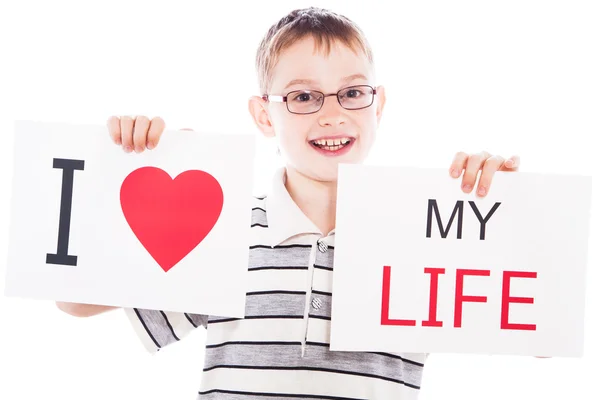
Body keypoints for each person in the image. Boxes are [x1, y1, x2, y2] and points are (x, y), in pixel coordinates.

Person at [56, 7, 521, 399]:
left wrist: (511, 212)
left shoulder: (422, 236)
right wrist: (121, 172)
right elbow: (73, 302)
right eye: (303, 96)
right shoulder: (223, 231)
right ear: (264, 115)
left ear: (377, 107)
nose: (332, 113)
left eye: (354, 93)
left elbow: (541, 333)